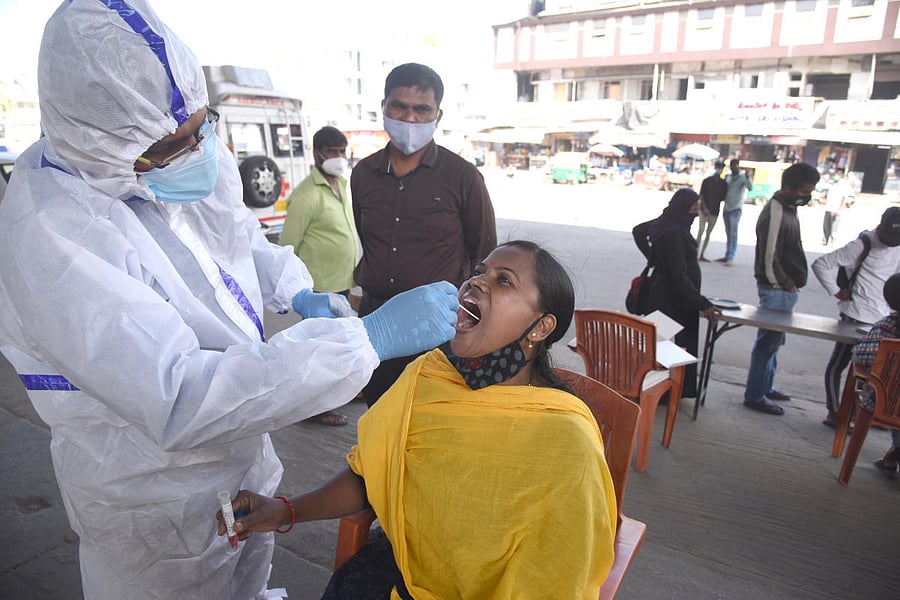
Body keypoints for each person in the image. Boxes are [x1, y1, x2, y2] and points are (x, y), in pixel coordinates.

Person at [0, 2, 459, 599]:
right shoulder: (51, 226)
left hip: (242, 456)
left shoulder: (183, 143)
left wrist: (295, 289)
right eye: (173, 145)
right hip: (147, 494)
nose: (197, 152)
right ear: (102, 142)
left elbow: (237, 234)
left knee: (248, 579)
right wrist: (363, 340)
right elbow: (179, 398)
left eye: (202, 125)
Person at [217, 240, 617, 599]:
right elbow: (372, 477)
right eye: (479, 272)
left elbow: (558, 575)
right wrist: (284, 510)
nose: (477, 282)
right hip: (393, 577)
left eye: (504, 281)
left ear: (541, 327)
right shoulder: (429, 374)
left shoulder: (565, 441)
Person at [351, 62, 497, 407]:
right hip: (377, 323)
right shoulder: (363, 175)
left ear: (438, 115)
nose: (409, 118)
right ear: (384, 107)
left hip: (438, 331)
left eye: (422, 109)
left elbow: (485, 256)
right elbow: (366, 237)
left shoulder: (463, 178)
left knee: (430, 421)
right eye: (399, 106)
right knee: (379, 415)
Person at [280, 126, 358, 427]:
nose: (339, 158)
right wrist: (296, 292)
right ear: (317, 153)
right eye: (333, 152)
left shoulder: (341, 184)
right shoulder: (306, 195)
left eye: (342, 151)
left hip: (343, 281)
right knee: (319, 350)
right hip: (319, 288)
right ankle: (314, 408)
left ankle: (335, 395)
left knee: (339, 344)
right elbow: (288, 246)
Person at [812, 207, 900, 428]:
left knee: (875, 371)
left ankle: (864, 412)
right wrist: (837, 291)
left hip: (882, 319)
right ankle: (834, 411)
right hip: (855, 314)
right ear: (881, 226)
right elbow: (821, 264)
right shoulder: (862, 245)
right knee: (839, 364)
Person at [743, 163, 820, 415]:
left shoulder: (789, 208)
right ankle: (755, 395)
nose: (806, 196)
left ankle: (766, 387)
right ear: (788, 187)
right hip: (776, 288)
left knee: (775, 342)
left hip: (785, 288)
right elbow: (768, 255)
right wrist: (784, 283)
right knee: (767, 343)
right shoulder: (775, 210)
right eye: (803, 191)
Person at [633, 189, 721, 398]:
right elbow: (679, 276)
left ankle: (668, 391)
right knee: (666, 346)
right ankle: (662, 393)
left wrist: (654, 257)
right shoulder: (674, 233)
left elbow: (639, 231)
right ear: (682, 207)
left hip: (665, 294)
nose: (696, 211)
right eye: (693, 207)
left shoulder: (666, 221)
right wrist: (702, 303)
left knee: (660, 343)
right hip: (672, 299)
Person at [850, 273, 900, 479]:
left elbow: (861, 355)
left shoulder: (886, 327)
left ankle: (896, 450)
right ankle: (895, 451)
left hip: (884, 403)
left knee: (894, 401)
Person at [715, 158, 753, 266]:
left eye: (735, 166)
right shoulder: (729, 177)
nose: (733, 168)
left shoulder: (743, 177)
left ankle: (731, 256)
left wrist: (748, 176)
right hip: (726, 208)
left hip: (736, 209)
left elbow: (750, 188)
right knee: (728, 233)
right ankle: (727, 255)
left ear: (738, 166)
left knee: (733, 233)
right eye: (732, 166)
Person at [696, 160, 728, 262]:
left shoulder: (724, 184)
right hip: (703, 210)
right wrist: (704, 208)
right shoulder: (707, 181)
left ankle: (702, 254)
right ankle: (695, 253)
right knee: (700, 231)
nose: (719, 169)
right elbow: (701, 195)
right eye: (718, 167)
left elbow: (723, 198)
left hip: (714, 212)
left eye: (721, 168)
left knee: (708, 233)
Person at [821, 172, 854, 245]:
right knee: (826, 225)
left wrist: (840, 209)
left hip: (836, 208)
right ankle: (825, 240)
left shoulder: (844, 186)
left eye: (836, 176)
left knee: (834, 226)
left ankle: (833, 241)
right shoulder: (832, 185)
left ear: (840, 177)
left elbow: (845, 199)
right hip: (828, 208)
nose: (834, 177)